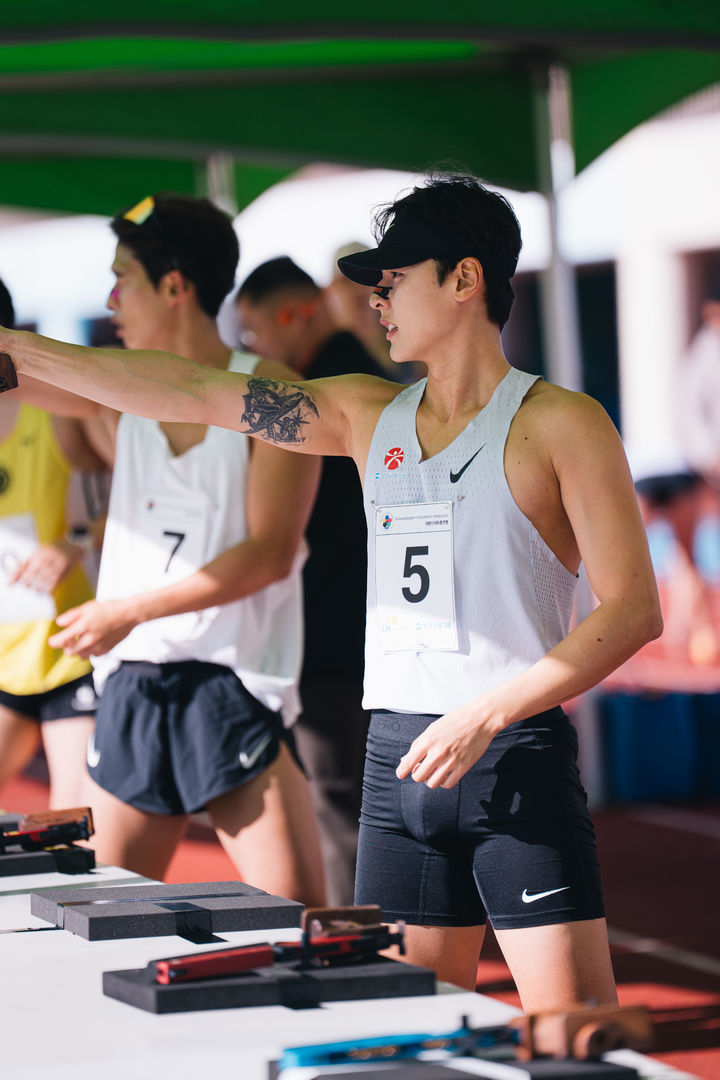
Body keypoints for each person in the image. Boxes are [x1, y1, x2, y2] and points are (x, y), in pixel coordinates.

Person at [0, 173, 662, 1011]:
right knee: (404, 1028)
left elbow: (635, 609)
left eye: (393, 281)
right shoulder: (361, 413)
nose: (375, 302)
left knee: (572, 1030)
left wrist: (488, 713)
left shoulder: (564, 422)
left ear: (465, 279)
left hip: (510, 759)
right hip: (395, 764)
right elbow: (191, 390)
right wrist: (16, 352)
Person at [1, 195, 326, 903]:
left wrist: (131, 609)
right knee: (89, 919)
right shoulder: (117, 395)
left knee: (305, 928)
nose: (111, 298)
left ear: (175, 286)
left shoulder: (275, 392)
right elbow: (14, 370)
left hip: (231, 688)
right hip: (135, 687)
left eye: (125, 278)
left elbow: (270, 552)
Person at [236, 257, 386, 904]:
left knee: (337, 798)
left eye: (253, 332)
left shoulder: (326, 389)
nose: (255, 349)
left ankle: (359, 954)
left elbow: (306, 534)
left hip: (332, 628)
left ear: (294, 312)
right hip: (362, 622)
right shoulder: (365, 377)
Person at [0, 277, 108, 808]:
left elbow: (135, 502)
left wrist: (75, 541)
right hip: (3, 658)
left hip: (69, 650)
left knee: (73, 827)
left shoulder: (55, 410)